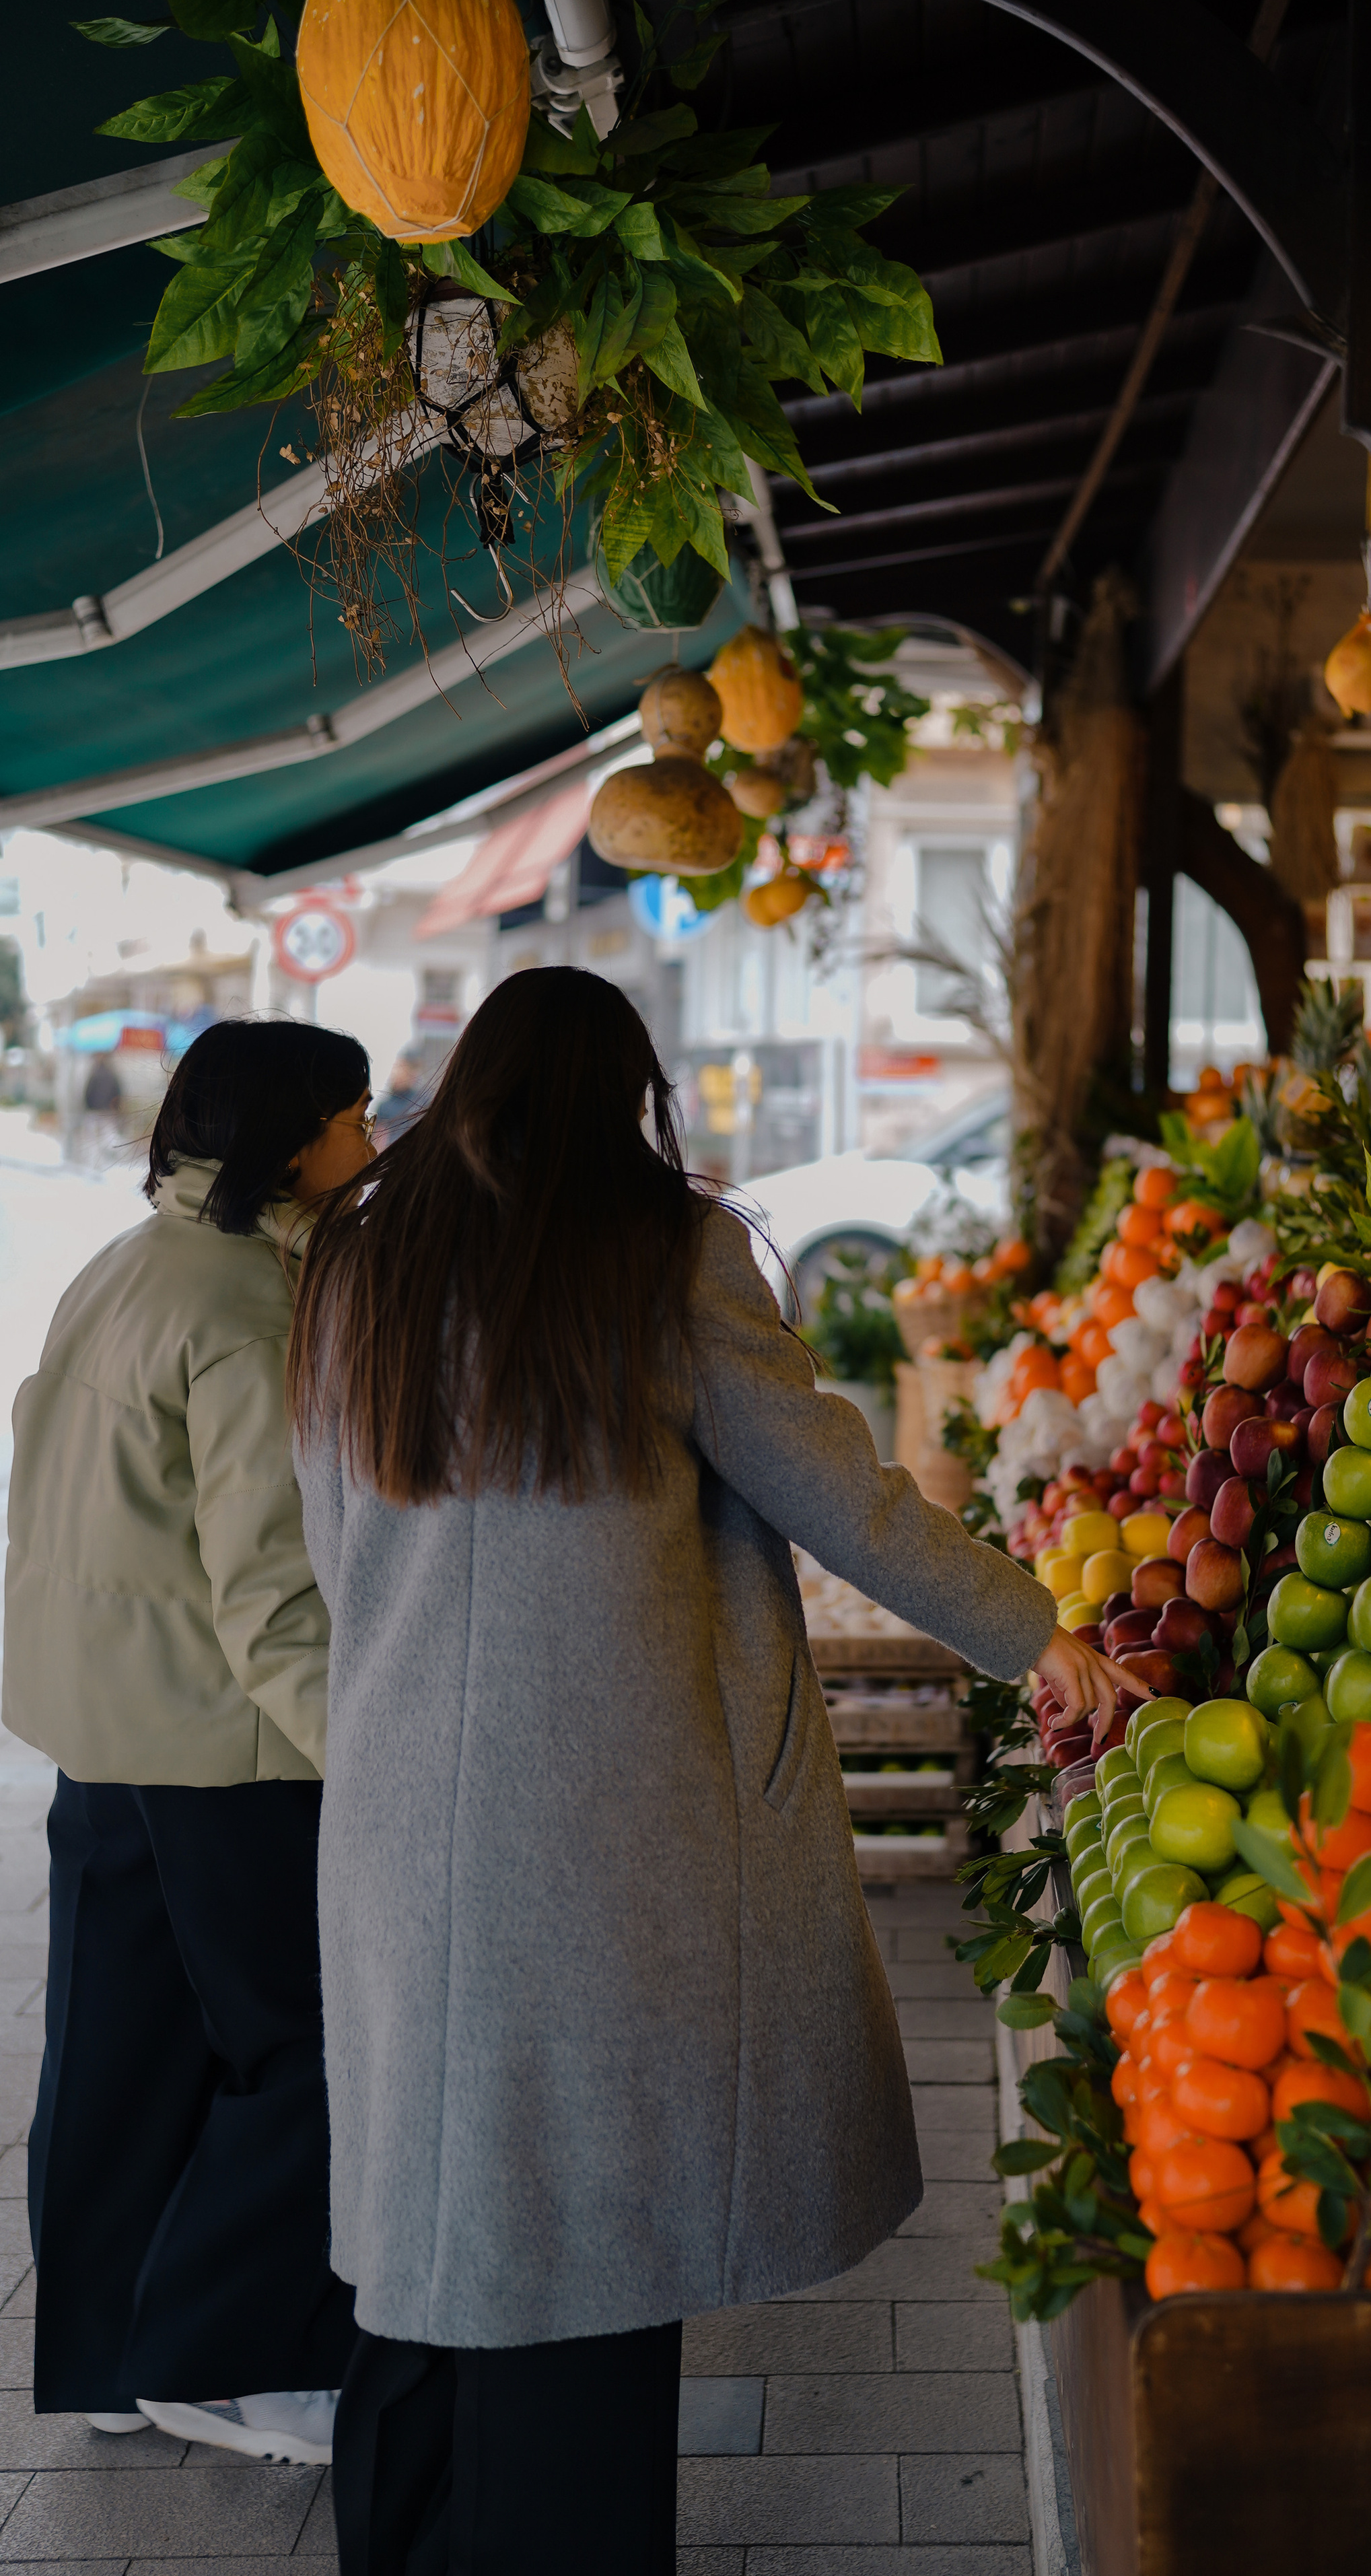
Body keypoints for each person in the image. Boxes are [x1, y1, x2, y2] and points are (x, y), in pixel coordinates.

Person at [286, 967, 1127, 2573]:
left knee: (433, 2237)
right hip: (603, 1841)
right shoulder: (661, 1260)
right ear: (627, 1097)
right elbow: (847, 1500)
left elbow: (337, 1552)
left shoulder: (355, 1271)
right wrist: (1036, 1637)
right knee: (587, 2256)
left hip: (400, 1818)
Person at [3, 1018, 377, 2463]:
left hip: (95, 1723)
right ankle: (220, 2359)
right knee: (313, 2042)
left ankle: (103, 2361)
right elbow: (272, 1588)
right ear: (295, 1144)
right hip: (219, 1744)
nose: (374, 1140)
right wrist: (370, 1757)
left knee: (115, 2054)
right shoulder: (246, 1306)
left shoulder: (129, 1264)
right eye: (355, 1117)